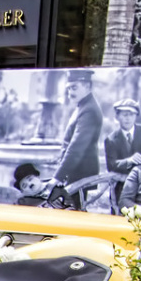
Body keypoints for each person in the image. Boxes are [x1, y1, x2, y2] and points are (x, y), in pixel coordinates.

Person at [50, 69, 103, 209]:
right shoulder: (83, 106)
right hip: (76, 174)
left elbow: (77, 147)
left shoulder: (89, 110)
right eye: (68, 89)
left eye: (74, 87)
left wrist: (58, 177)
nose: (70, 93)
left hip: (82, 176)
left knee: (76, 215)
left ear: (87, 86)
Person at [102, 98, 141, 213]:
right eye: (124, 114)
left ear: (136, 116)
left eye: (131, 114)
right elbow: (111, 165)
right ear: (117, 117)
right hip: (122, 189)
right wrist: (129, 160)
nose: (127, 118)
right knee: (121, 223)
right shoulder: (111, 139)